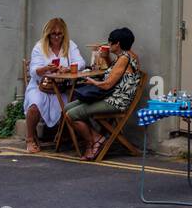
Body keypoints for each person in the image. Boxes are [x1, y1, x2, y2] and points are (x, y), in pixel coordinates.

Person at [64, 27, 140, 160]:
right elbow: (117, 74)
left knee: (72, 114)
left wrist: (92, 82)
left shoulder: (124, 58)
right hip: (110, 96)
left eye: (110, 42)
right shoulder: (128, 56)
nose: (108, 44)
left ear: (117, 44)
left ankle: (94, 141)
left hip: (115, 101)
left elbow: (107, 84)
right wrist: (107, 58)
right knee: (67, 108)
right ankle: (96, 137)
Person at [24, 17, 86, 153]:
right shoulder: (39, 47)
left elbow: (81, 63)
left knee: (71, 104)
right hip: (40, 86)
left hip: (61, 88)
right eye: (54, 34)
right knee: (34, 106)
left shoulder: (70, 45)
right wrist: (46, 68)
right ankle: (29, 139)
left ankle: (63, 134)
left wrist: (68, 68)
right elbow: (34, 71)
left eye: (60, 34)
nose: (57, 37)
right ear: (48, 34)